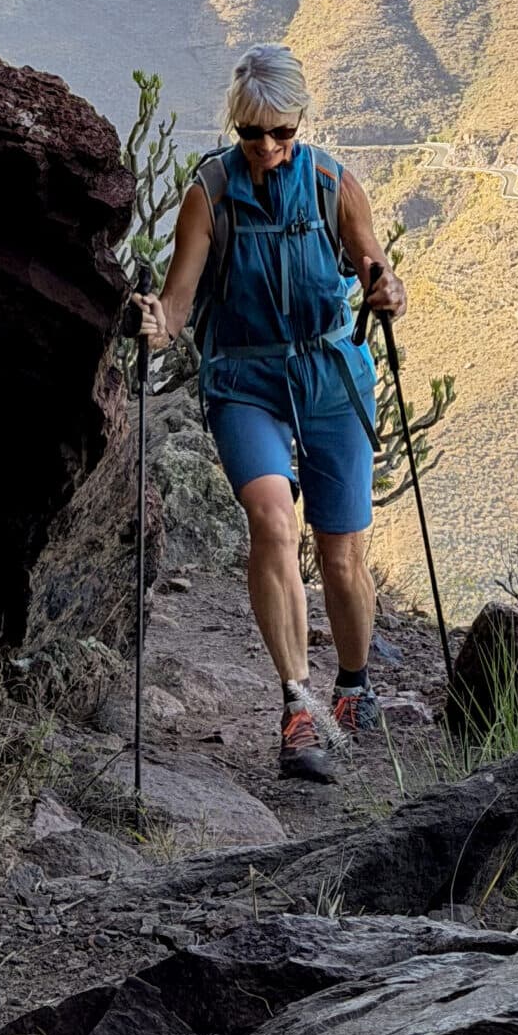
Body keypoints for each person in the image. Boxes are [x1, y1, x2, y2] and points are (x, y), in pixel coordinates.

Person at [134, 45, 407, 783]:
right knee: (272, 520)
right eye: (253, 134)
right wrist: (156, 324)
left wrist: (387, 293)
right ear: (236, 128)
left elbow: (376, 268)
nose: (268, 148)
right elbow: (181, 303)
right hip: (244, 377)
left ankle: (353, 685)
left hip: (329, 375)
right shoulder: (211, 194)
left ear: (300, 123)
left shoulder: (331, 184)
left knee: (342, 553)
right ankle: (296, 706)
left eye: (281, 132)